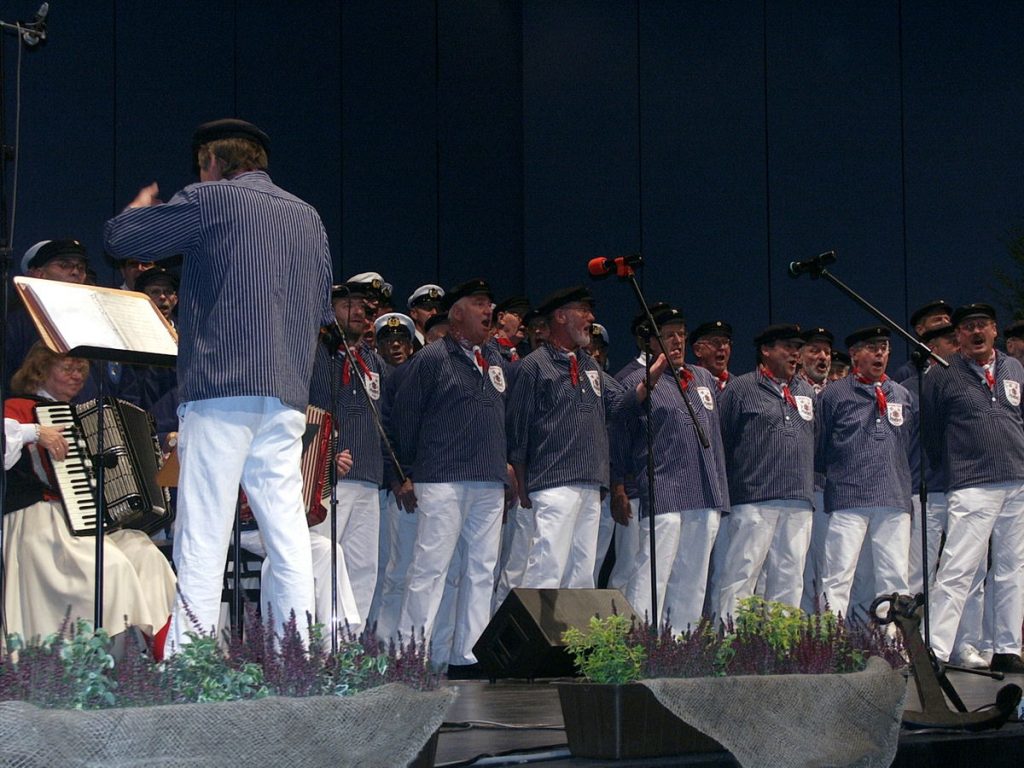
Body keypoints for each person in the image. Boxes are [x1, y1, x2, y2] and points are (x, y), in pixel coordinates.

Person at [104, 118, 332, 651]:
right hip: (286, 392)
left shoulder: (213, 199)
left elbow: (122, 240)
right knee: (288, 534)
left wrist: (139, 209)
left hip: (222, 386)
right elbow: (322, 309)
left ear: (212, 161)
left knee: (203, 528)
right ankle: (296, 653)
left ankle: (192, 659)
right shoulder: (308, 216)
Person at [3, 343, 175, 653]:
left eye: (81, 369)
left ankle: (166, 657)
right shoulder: (16, 407)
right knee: (112, 568)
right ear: (40, 371)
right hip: (39, 518)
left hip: (83, 521)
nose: (77, 376)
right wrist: (36, 432)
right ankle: (108, 663)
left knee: (146, 555)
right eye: (68, 368)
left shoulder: (83, 415)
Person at [506, 286, 665, 590]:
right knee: (546, 567)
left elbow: (618, 406)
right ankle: (535, 623)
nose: (591, 318)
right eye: (583, 311)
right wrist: (522, 483)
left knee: (582, 573)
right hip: (552, 482)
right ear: (560, 316)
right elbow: (518, 429)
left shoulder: (590, 365)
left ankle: (571, 625)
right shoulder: (534, 366)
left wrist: (649, 382)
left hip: (591, 483)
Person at [390, 279, 510, 671]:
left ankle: (468, 655)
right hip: (442, 477)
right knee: (430, 567)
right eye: (479, 303)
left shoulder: (494, 359)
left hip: (488, 478)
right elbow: (405, 418)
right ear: (457, 312)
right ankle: (411, 655)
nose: (488, 310)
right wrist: (408, 471)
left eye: (489, 303)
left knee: (481, 570)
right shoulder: (431, 358)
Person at [923, 303, 1024, 673]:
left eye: (983, 325)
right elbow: (931, 432)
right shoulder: (941, 373)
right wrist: (957, 466)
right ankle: (934, 650)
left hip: (1017, 479)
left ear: (995, 330)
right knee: (959, 567)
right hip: (971, 484)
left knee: (1012, 568)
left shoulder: (1014, 368)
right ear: (958, 335)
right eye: (969, 327)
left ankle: (1007, 648)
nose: (977, 332)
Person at [614, 306, 729, 630]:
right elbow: (619, 423)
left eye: (681, 334)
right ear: (651, 342)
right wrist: (618, 484)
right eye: (668, 335)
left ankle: (681, 642)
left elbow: (715, 440)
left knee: (693, 576)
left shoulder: (701, 377)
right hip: (664, 488)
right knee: (653, 571)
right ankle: (639, 638)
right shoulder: (636, 380)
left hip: (704, 490)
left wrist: (721, 493)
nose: (677, 341)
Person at [716, 325, 816, 620]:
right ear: (766, 350)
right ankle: (733, 639)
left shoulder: (806, 391)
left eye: (797, 348)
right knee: (742, 573)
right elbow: (722, 440)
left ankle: (780, 640)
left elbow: (816, 440)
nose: (795, 354)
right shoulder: (741, 389)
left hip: (798, 498)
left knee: (790, 576)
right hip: (753, 498)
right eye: (787, 347)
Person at [818, 327, 914, 625]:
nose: (880, 353)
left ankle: (892, 642)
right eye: (872, 347)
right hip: (848, 498)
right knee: (838, 575)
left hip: (893, 496)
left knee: (895, 575)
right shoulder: (834, 394)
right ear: (854, 354)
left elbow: (907, 445)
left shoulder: (901, 394)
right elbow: (820, 446)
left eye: (884, 347)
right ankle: (829, 640)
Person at [308, 281, 389, 626]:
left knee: (363, 567)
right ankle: (317, 640)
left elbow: (386, 420)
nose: (358, 312)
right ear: (330, 312)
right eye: (348, 306)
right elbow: (312, 413)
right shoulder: (318, 355)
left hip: (368, 477)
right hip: (330, 481)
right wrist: (324, 459)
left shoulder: (372, 361)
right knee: (325, 561)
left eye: (363, 307)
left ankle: (351, 643)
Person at [690, 321, 733, 390]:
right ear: (697, 350)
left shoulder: (740, 387)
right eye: (715, 342)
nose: (722, 347)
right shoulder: (688, 385)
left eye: (725, 342)